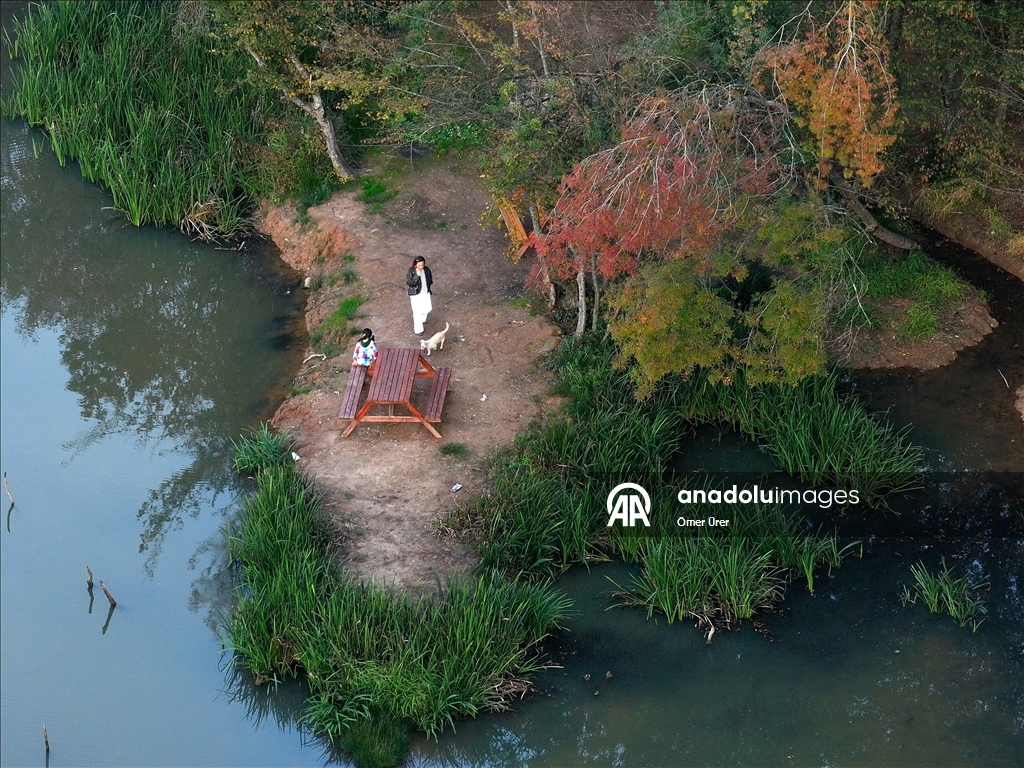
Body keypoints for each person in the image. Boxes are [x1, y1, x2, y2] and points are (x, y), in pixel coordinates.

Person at [406, 256, 433, 335]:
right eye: (419, 265)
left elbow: (430, 279)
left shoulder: (426, 269)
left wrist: (428, 287)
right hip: (416, 294)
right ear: (415, 265)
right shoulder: (411, 271)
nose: (421, 267)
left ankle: (422, 319)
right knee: (417, 311)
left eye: (422, 265)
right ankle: (418, 329)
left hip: (425, 292)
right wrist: (417, 276)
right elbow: (409, 283)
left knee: (428, 308)